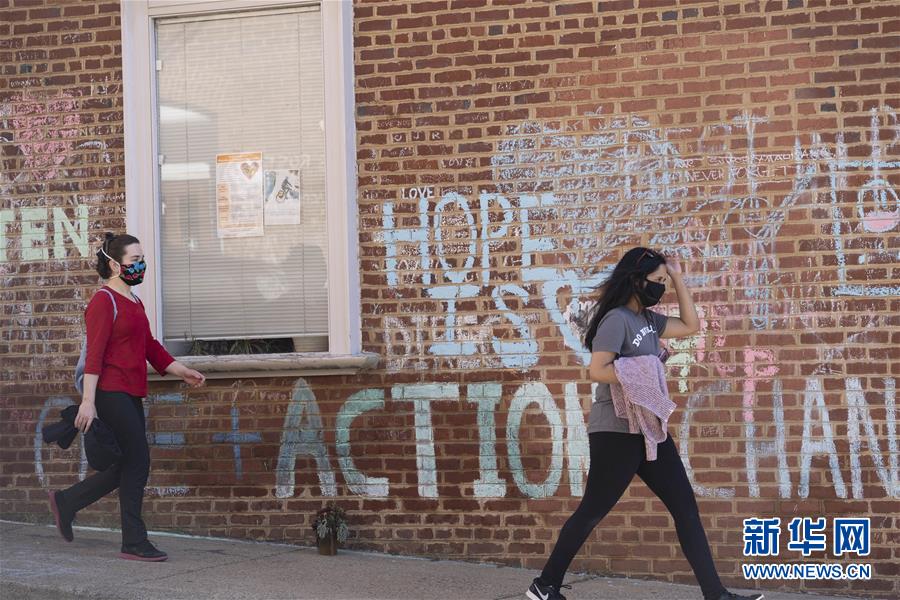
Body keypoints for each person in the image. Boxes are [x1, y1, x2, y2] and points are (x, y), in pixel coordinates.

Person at [527, 247, 763, 600]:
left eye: (664, 282)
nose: (661, 288)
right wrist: (643, 370)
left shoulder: (650, 321)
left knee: (685, 506)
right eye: (657, 281)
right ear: (636, 281)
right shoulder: (616, 320)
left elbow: (691, 325)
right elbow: (597, 370)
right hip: (616, 431)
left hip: (649, 429)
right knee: (592, 511)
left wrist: (678, 276)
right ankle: (544, 586)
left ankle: (716, 595)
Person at [47, 232, 206, 562]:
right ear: (114, 265)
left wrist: (182, 371)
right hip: (109, 391)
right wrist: (88, 401)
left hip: (130, 392)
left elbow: (150, 347)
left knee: (129, 463)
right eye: (135, 260)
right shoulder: (103, 302)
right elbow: (95, 356)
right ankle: (133, 540)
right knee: (138, 462)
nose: (141, 265)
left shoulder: (133, 301)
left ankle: (68, 501)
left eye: (141, 259)